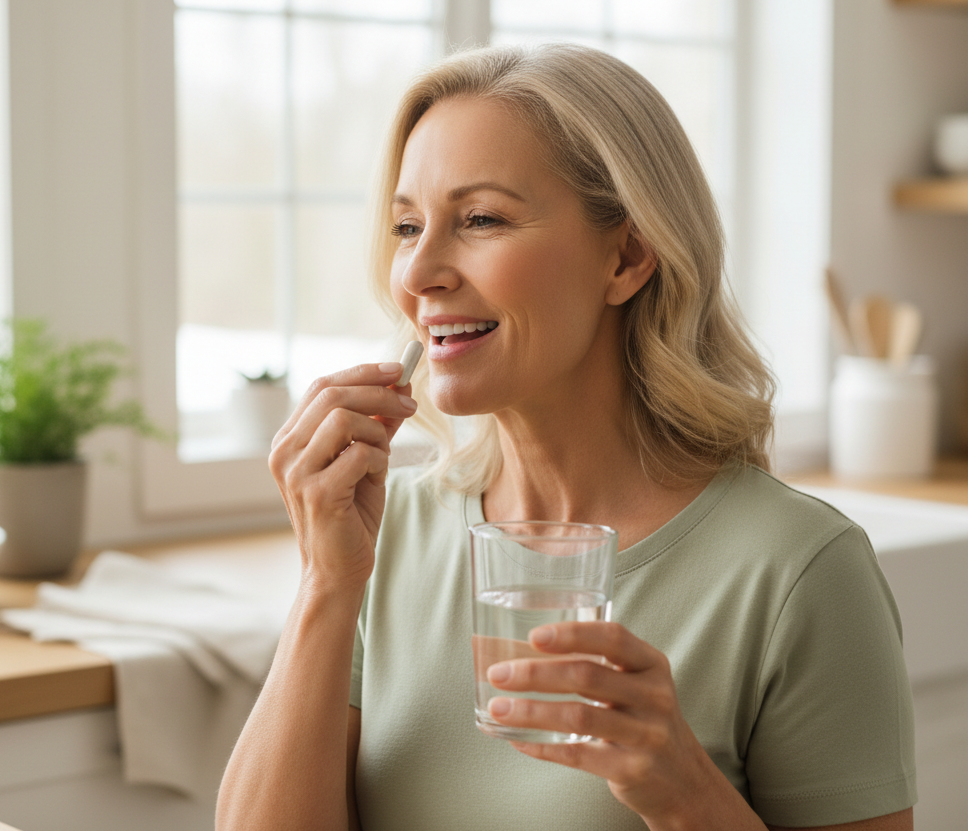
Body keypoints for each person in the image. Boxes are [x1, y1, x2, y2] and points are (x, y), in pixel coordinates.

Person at [216, 43, 916, 831]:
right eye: (409, 226)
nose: (416, 274)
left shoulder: (797, 572)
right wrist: (324, 584)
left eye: (480, 219)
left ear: (627, 256)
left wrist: (684, 790)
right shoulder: (383, 534)